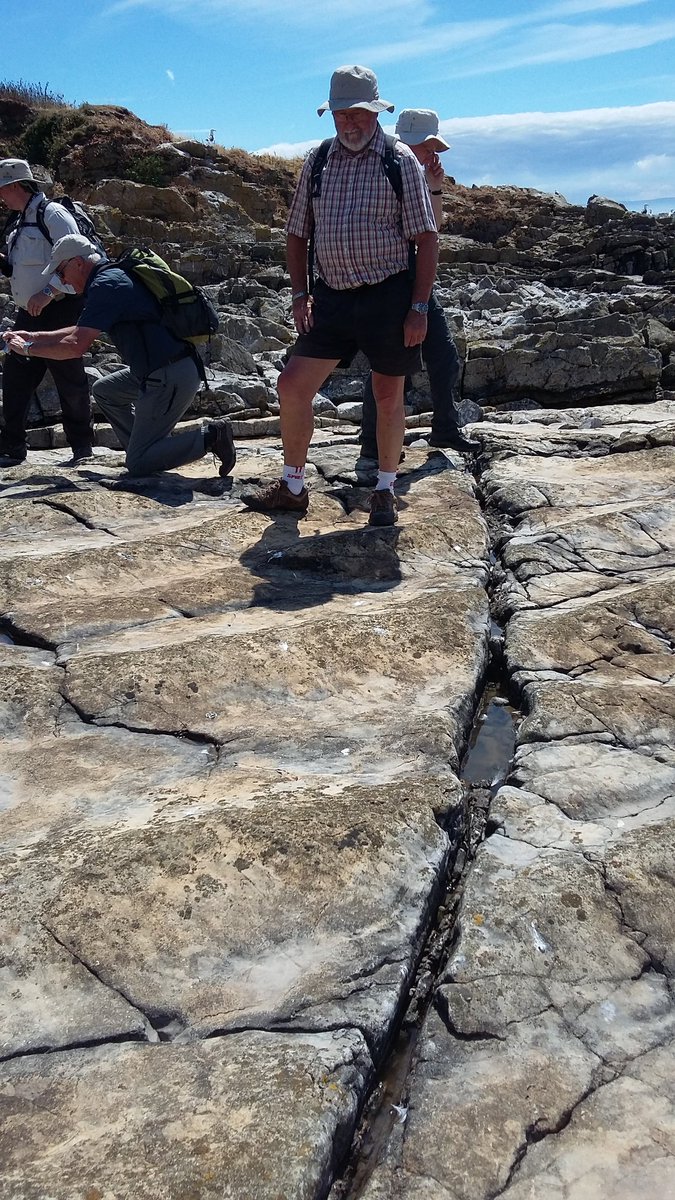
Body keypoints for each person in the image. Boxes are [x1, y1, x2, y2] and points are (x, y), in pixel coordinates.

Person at [241, 65, 438, 528]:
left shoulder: (400, 161)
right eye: (340, 114)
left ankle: (385, 491)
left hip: (388, 294)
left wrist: (419, 307)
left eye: (357, 114)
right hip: (331, 297)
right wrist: (299, 294)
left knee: (387, 394)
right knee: (291, 386)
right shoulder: (319, 160)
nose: (349, 123)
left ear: (374, 112)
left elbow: (426, 238)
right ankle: (292, 487)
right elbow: (297, 234)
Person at [3, 233, 236, 479]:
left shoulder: (107, 285)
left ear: (78, 263)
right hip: (159, 369)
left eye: (61, 273)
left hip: (169, 374)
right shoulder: (107, 278)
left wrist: (28, 350)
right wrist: (32, 335)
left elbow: (75, 346)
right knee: (106, 391)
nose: (63, 281)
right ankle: (148, 449)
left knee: (138, 464)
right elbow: (78, 331)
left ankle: (211, 436)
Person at [360, 110, 479, 460]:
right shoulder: (383, 170)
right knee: (387, 365)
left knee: (443, 356)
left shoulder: (415, 173)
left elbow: (433, 228)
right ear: (412, 142)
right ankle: (373, 442)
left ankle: (445, 429)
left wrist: (435, 186)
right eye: (429, 147)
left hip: (419, 279)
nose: (434, 155)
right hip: (388, 281)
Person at [0, 158, 94, 466]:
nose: (1, 197)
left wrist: (46, 292)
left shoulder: (51, 214)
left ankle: (82, 448)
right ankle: (13, 446)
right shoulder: (16, 221)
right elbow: (21, 266)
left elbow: (77, 256)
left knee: (69, 378)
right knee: (15, 378)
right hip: (30, 312)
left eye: (2, 190)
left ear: (15, 186)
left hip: (60, 308)